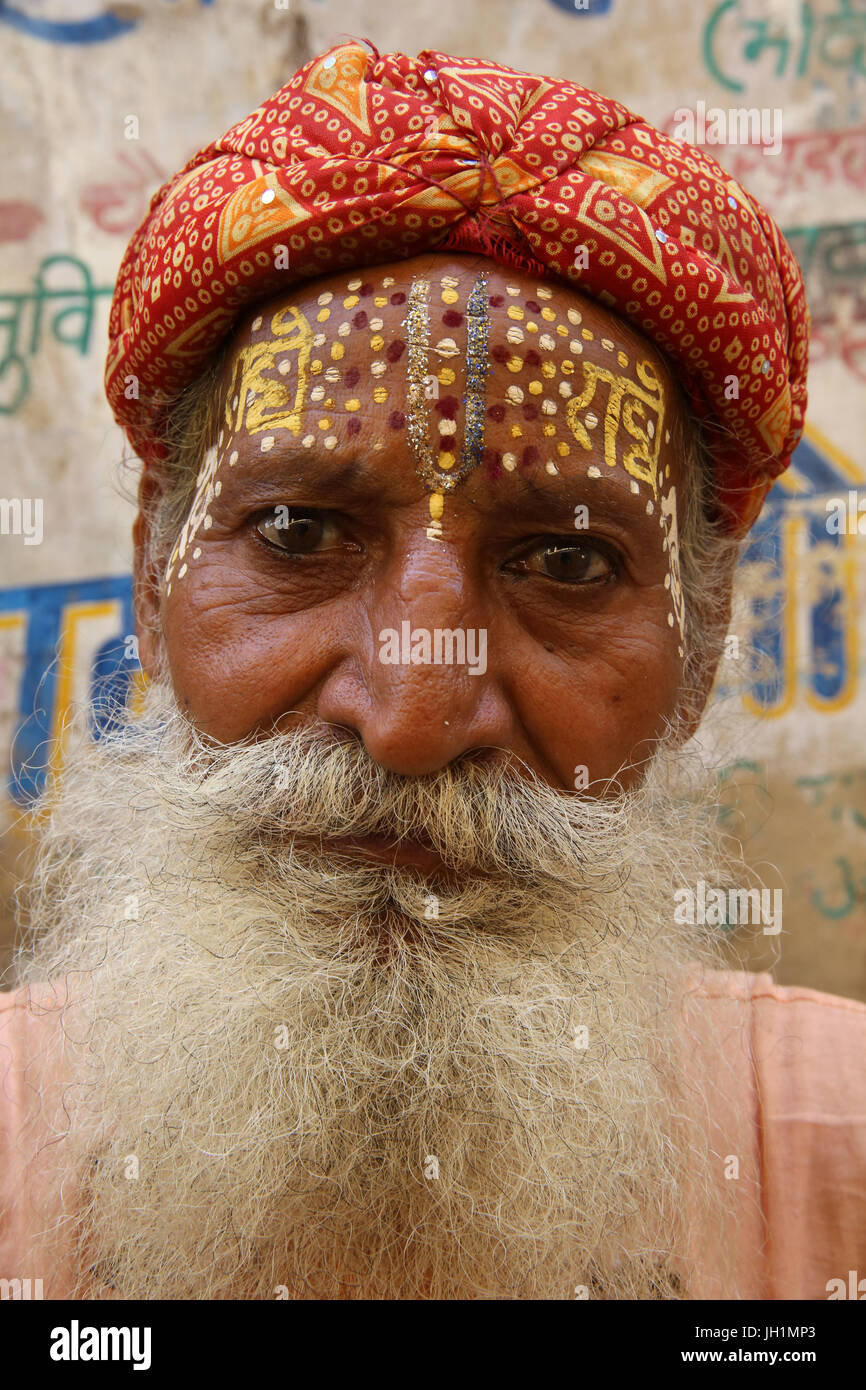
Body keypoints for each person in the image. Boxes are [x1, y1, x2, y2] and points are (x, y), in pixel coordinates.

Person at [1, 42, 864, 1302]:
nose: (410, 718)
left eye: (565, 563)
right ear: (153, 573)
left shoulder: (832, 1156)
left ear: (702, 642)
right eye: (298, 534)